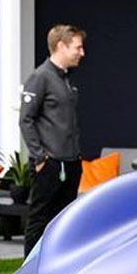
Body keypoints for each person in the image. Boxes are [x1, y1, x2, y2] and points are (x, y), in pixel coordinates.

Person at [21, 24, 85, 256]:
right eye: (77, 47)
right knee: (40, 219)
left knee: (65, 221)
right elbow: (26, 119)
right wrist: (40, 158)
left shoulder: (65, 79)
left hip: (71, 162)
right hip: (50, 165)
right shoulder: (40, 77)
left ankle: (58, 266)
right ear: (60, 46)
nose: (82, 53)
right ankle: (30, 270)